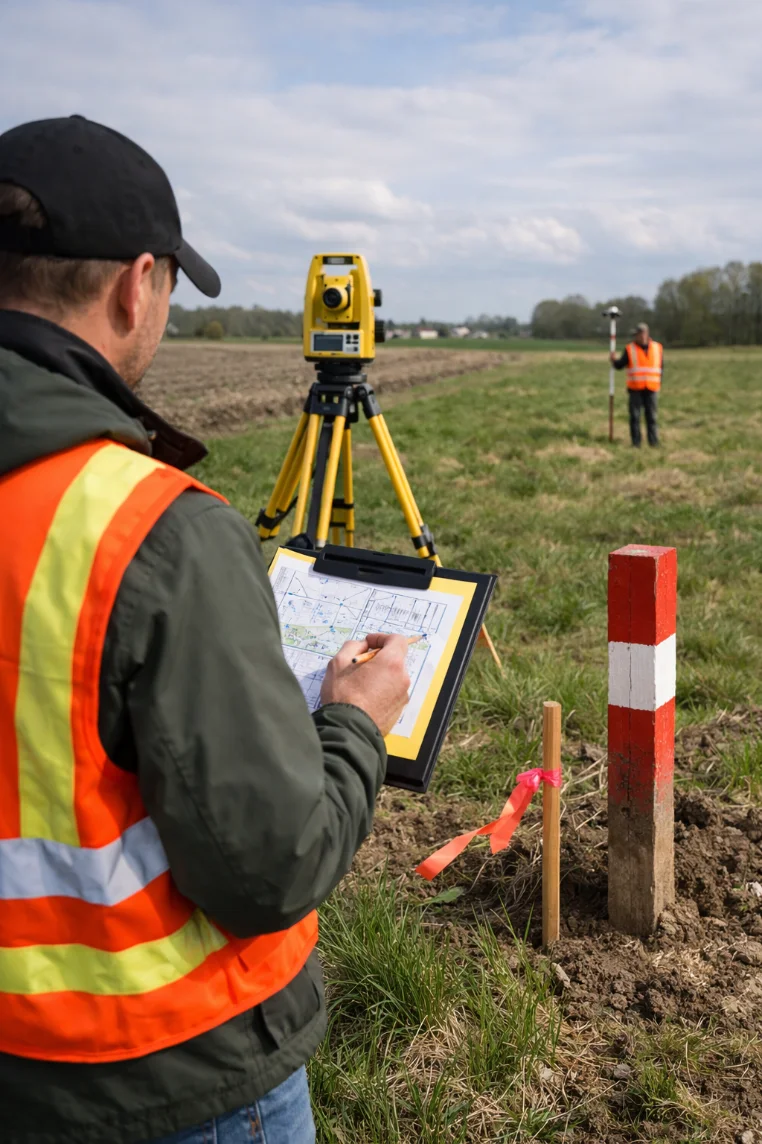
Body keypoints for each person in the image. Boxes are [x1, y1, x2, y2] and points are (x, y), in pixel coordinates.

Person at [0, 116, 411, 1144]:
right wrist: (353, 721)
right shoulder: (152, 532)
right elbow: (271, 865)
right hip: (154, 1069)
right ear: (137, 285)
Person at [610, 321, 664, 447]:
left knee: (652, 417)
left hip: (652, 388)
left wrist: (659, 383)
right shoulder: (630, 349)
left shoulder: (657, 348)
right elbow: (620, 365)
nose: (639, 337)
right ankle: (636, 443)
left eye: (640, 334)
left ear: (646, 334)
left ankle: (653, 442)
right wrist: (613, 361)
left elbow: (661, 367)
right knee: (635, 416)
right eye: (637, 335)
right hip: (635, 388)